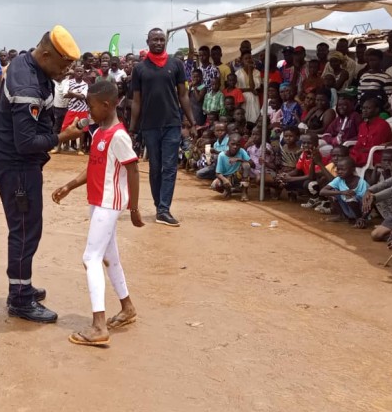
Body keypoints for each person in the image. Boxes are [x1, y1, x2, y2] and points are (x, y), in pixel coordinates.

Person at [0, 25, 85, 323]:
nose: (66, 70)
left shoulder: (29, 65)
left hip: (19, 162)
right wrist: (64, 136)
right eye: (63, 63)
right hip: (17, 164)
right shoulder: (27, 86)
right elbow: (27, 142)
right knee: (25, 230)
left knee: (27, 227)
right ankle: (19, 298)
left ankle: (23, 286)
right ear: (44, 54)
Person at [52, 81, 143, 346]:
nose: (88, 111)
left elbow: (134, 170)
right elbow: (94, 167)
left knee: (90, 258)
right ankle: (127, 307)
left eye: (91, 106)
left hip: (108, 204)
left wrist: (134, 208)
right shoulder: (99, 130)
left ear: (106, 105)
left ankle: (98, 325)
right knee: (108, 258)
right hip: (98, 201)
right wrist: (69, 185)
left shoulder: (118, 136)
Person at [129, 28, 196, 227]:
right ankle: (160, 205)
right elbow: (136, 101)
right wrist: (132, 129)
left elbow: (183, 95)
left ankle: (164, 209)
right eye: (155, 40)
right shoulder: (139, 69)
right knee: (155, 167)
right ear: (147, 41)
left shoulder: (176, 64)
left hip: (172, 123)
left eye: (162, 39)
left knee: (170, 167)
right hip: (149, 125)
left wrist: (192, 121)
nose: (159, 43)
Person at [320, 157, 369, 224]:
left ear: (352, 169)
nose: (339, 172)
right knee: (333, 192)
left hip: (360, 211)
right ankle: (342, 216)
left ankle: (358, 219)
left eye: (343, 169)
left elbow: (368, 202)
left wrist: (363, 218)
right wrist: (342, 192)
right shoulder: (339, 179)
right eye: (338, 169)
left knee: (350, 196)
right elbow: (322, 191)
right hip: (348, 209)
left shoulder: (362, 183)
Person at [350, 98, 392, 167]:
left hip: (374, 155)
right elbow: (359, 143)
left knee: (346, 160)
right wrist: (353, 151)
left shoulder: (382, 125)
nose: (364, 110)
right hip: (360, 154)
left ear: (376, 110)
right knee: (338, 156)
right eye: (363, 108)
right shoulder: (362, 125)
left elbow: (376, 146)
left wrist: (356, 151)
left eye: (368, 108)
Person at [212, 133, 252, 202]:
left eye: (238, 145)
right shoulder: (222, 155)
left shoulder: (241, 151)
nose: (235, 147)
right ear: (228, 144)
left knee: (246, 165)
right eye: (232, 144)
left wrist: (238, 159)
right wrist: (224, 180)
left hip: (238, 176)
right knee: (215, 185)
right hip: (227, 177)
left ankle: (244, 192)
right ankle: (229, 190)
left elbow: (252, 164)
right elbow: (218, 173)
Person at [235, 51, 261, 123]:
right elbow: (237, 89)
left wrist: (250, 71)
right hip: (242, 99)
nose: (248, 60)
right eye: (246, 59)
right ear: (242, 61)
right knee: (244, 118)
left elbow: (253, 87)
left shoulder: (257, 72)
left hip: (253, 98)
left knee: (254, 119)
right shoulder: (238, 73)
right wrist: (249, 89)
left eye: (250, 58)